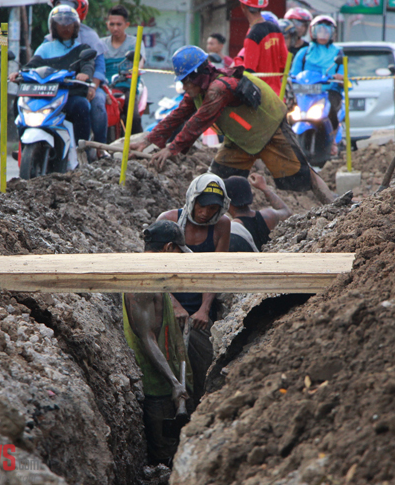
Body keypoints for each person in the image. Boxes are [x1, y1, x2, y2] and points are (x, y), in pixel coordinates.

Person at [131, 46, 337, 205]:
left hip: (269, 128)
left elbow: (198, 121)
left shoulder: (219, 89)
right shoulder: (198, 90)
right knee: (217, 181)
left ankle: (333, 204)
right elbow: (177, 116)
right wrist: (148, 140)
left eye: (186, 81)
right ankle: (217, 220)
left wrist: (171, 148)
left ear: (198, 75)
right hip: (241, 138)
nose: (184, 86)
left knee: (300, 174)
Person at [122, 220, 193, 465]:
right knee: (165, 459)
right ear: (169, 247)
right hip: (157, 387)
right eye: (178, 253)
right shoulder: (142, 282)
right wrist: (174, 383)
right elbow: (146, 337)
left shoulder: (152, 274)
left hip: (166, 382)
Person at [157, 174, 230, 401]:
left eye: (212, 208)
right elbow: (154, 273)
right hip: (167, 304)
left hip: (200, 311)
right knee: (165, 365)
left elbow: (215, 272)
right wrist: (174, 306)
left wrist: (204, 310)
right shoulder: (168, 221)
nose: (206, 213)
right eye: (202, 205)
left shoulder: (221, 226)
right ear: (192, 198)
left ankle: (198, 408)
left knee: (204, 368)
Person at [10, 6, 94, 146]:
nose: (65, 27)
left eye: (69, 24)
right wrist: (19, 74)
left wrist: (85, 74)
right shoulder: (45, 48)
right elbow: (32, 65)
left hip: (68, 97)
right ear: (53, 27)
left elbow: (88, 65)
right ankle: (23, 144)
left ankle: (82, 150)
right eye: (61, 24)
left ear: (76, 27)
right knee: (18, 101)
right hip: (45, 96)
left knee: (82, 105)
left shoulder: (82, 49)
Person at [47, 0, 109, 147]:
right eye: (58, 6)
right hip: (57, 88)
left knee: (98, 106)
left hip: (85, 87)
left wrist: (92, 86)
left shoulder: (90, 38)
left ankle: (99, 148)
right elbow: (36, 63)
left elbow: (98, 67)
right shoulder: (47, 41)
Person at [290, 15, 344, 138]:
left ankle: (333, 140)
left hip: (328, 91)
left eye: (327, 31)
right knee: (289, 112)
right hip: (304, 93)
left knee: (332, 112)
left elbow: (343, 73)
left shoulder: (337, 52)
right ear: (312, 32)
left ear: (332, 33)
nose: (323, 34)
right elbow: (294, 73)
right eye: (319, 30)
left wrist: (340, 77)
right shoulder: (304, 52)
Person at [236, 0, 287, 95]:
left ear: (242, 5)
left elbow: (250, 74)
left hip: (262, 100)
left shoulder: (253, 35)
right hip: (278, 96)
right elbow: (285, 63)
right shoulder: (276, 29)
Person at [103, 4, 146, 135]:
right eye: (112, 24)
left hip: (128, 86)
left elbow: (140, 62)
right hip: (105, 88)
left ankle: (138, 147)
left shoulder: (135, 42)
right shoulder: (101, 43)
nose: (115, 28)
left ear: (127, 25)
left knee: (133, 117)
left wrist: (135, 69)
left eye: (119, 24)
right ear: (107, 24)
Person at [225, 173, 291, 252]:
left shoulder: (233, 229)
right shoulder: (268, 216)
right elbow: (287, 212)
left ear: (228, 202)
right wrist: (264, 188)